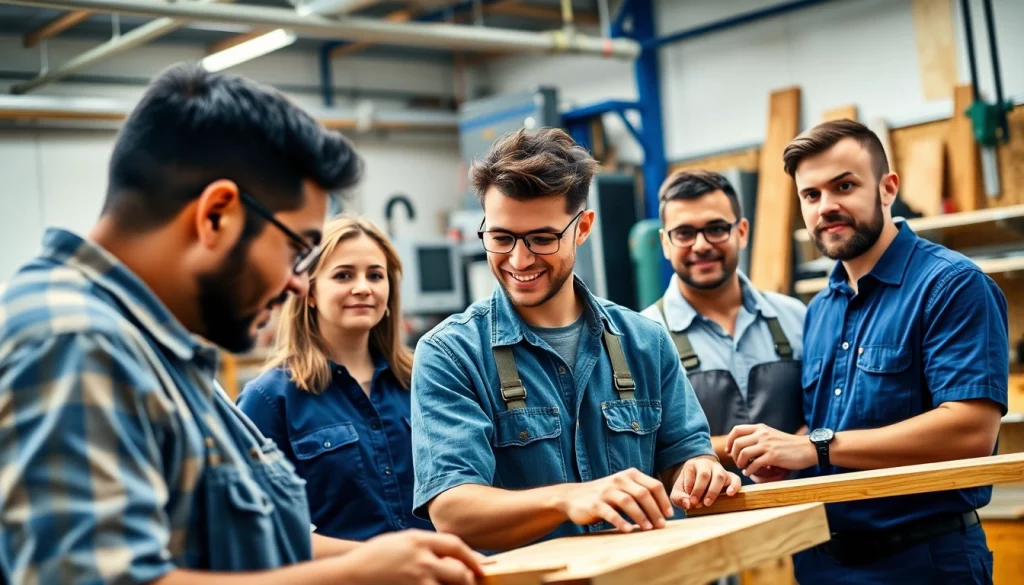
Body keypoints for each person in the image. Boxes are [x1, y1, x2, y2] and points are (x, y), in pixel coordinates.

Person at [0, 63, 481, 585]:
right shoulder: (75, 340)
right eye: (296, 249)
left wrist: (389, 560)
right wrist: (357, 574)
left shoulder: (159, 355)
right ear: (217, 216)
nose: (296, 283)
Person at [409, 127, 740, 552]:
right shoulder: (451, 354)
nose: (519, 259)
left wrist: (699, 469)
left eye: (542, 239)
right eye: (501, 238)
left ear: (582, 228)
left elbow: (685, 454)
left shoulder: (646, 342)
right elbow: (453, 511)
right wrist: (568, 499)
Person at [726, 119, 1007, 584]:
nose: (826, 206)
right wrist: (782, 455)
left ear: (887, 188)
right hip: (822, 562)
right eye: (810, 195)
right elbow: (831, 423)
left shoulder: (952, 285)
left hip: (923, 564)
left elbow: (971, 432)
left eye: (844, 186)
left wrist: (813, 448)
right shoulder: (821, 308)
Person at [238, 214, 433, 541]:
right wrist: (384, 559)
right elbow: (260, 529)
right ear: (310, 291)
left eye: (375, 275)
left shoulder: (425, 379)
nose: (363, 288)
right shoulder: (269, 399)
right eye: (343, 275)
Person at [640, 170, 806, 483]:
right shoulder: (641, 338)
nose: (701, 245)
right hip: (702, 513)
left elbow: (826, 411)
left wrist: (799, 444)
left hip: (805, 507)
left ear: (741, 232)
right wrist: (754, 449)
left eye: (716, 229)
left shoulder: (794, 317)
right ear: (665, 243)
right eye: (684, 233)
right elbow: (642, 448)